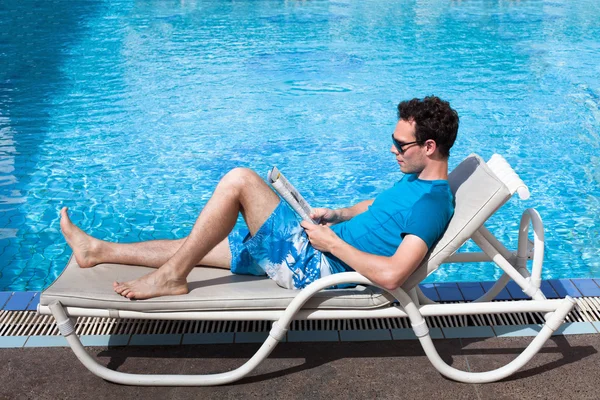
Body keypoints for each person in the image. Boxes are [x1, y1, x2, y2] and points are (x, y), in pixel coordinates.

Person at [60, 96, 458, 300]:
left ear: (427, 146)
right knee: (197, 245)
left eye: (398, 144)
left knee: (239, 180)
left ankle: (170, 279)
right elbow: (377, 208)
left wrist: (331, 242)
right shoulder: (416, 180)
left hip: (319, 269)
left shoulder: (431, 204)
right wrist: (335, 214)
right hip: (317, 248)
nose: (391, 150)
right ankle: (97, 250)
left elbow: (392, 275)